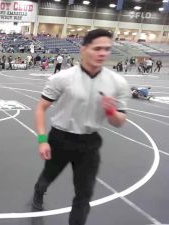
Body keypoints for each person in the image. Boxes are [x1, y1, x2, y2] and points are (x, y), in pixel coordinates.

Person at [32, 29, 129, 225]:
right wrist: (42, 140)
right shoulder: (62, 78)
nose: (102, 53)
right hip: (60, 139)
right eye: (97, 48)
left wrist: (111, 112)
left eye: (107, 49)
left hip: (90, 143)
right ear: (83, 49)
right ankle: (39, 192)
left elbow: (119, 122)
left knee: (84, 195)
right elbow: (41, 108)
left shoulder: (117, 82)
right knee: (47, 177)